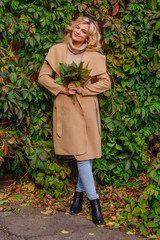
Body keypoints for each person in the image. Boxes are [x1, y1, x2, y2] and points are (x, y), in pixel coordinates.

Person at [38, 16, 111, 225]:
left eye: (84, 31)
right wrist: (62, 88)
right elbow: (43, 76)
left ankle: (78, 197)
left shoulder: (94, 55)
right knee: (82, 155)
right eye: (77, 27)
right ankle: (95, 202)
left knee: (85, 154)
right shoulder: (57, 50)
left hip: (87, 107)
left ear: (89, 36)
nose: (78, 32)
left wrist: (83, 89)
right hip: (68, 108)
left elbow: (105, 83)